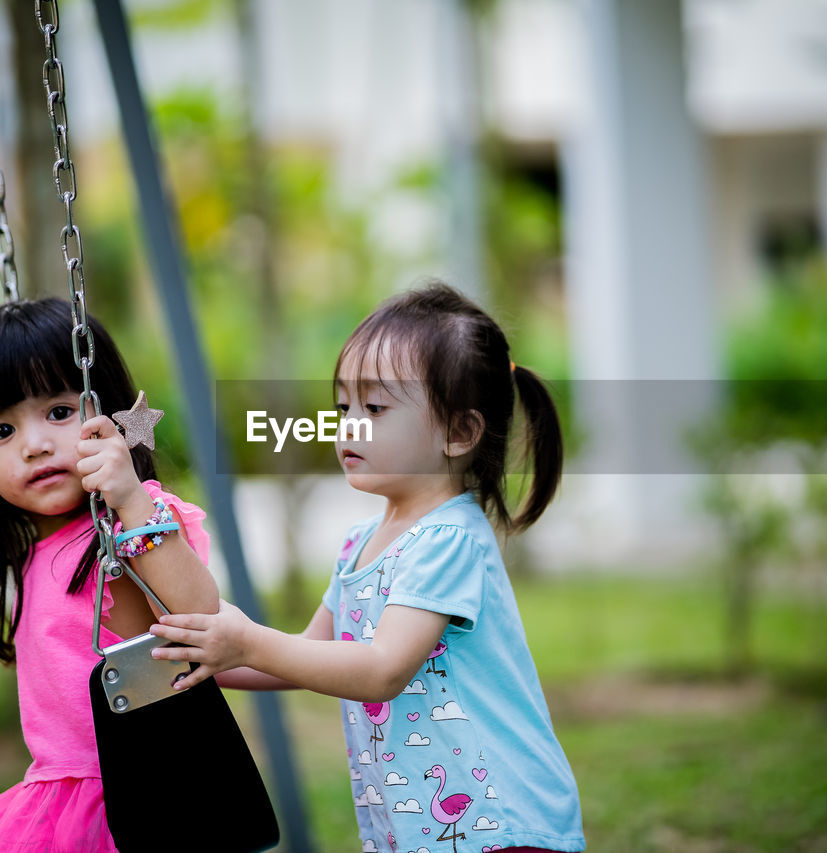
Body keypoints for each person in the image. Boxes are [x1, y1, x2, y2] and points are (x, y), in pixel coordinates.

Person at [151, 283, 586, 853]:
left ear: (460, 433)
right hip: (428, 829)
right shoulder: (360, 544)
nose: (348, 425)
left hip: (498, 821)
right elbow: (303, 654)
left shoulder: (449, 539)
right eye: (342, 407)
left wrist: (249, 643)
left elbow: (382, 669)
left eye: (375, 408)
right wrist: (213, 655)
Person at [0, 298, 219, 852]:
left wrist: (132, 501)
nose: (34, 444)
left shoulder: (126, 527)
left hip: (132, 801)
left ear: (112, 420)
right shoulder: (33, 553)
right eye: (0, 430)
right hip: (53, 801)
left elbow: (200, 612)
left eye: (60, 412)